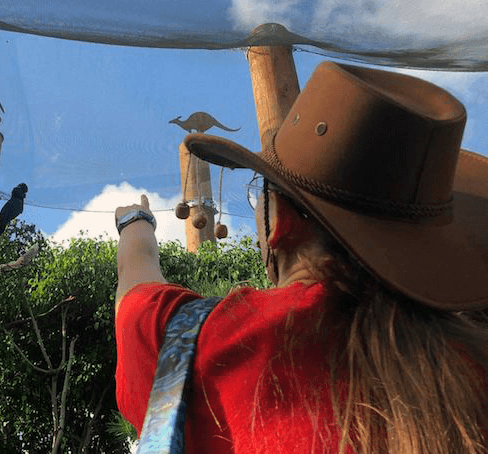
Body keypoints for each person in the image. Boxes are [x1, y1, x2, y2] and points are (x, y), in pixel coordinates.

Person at [114, 61, 488, 454]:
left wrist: (135, 222)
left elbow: (134, 289)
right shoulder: (470, 363)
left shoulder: (197, 342)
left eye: (262, 194)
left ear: (283, 224)